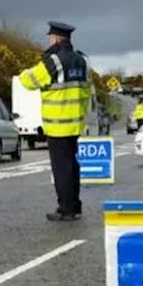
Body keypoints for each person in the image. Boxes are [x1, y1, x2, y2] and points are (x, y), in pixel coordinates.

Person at [16, 21, 92, 221]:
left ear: (57, 38)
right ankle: (74, 206)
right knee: (72, 166)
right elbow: (86, 92)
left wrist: (27, 70)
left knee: (61, 169)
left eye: (50, 37)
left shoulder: (54, 62)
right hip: (75, 123)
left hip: (57, 125)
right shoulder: (82, 60)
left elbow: (28, 81)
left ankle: (66, 209)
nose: (49, 40)